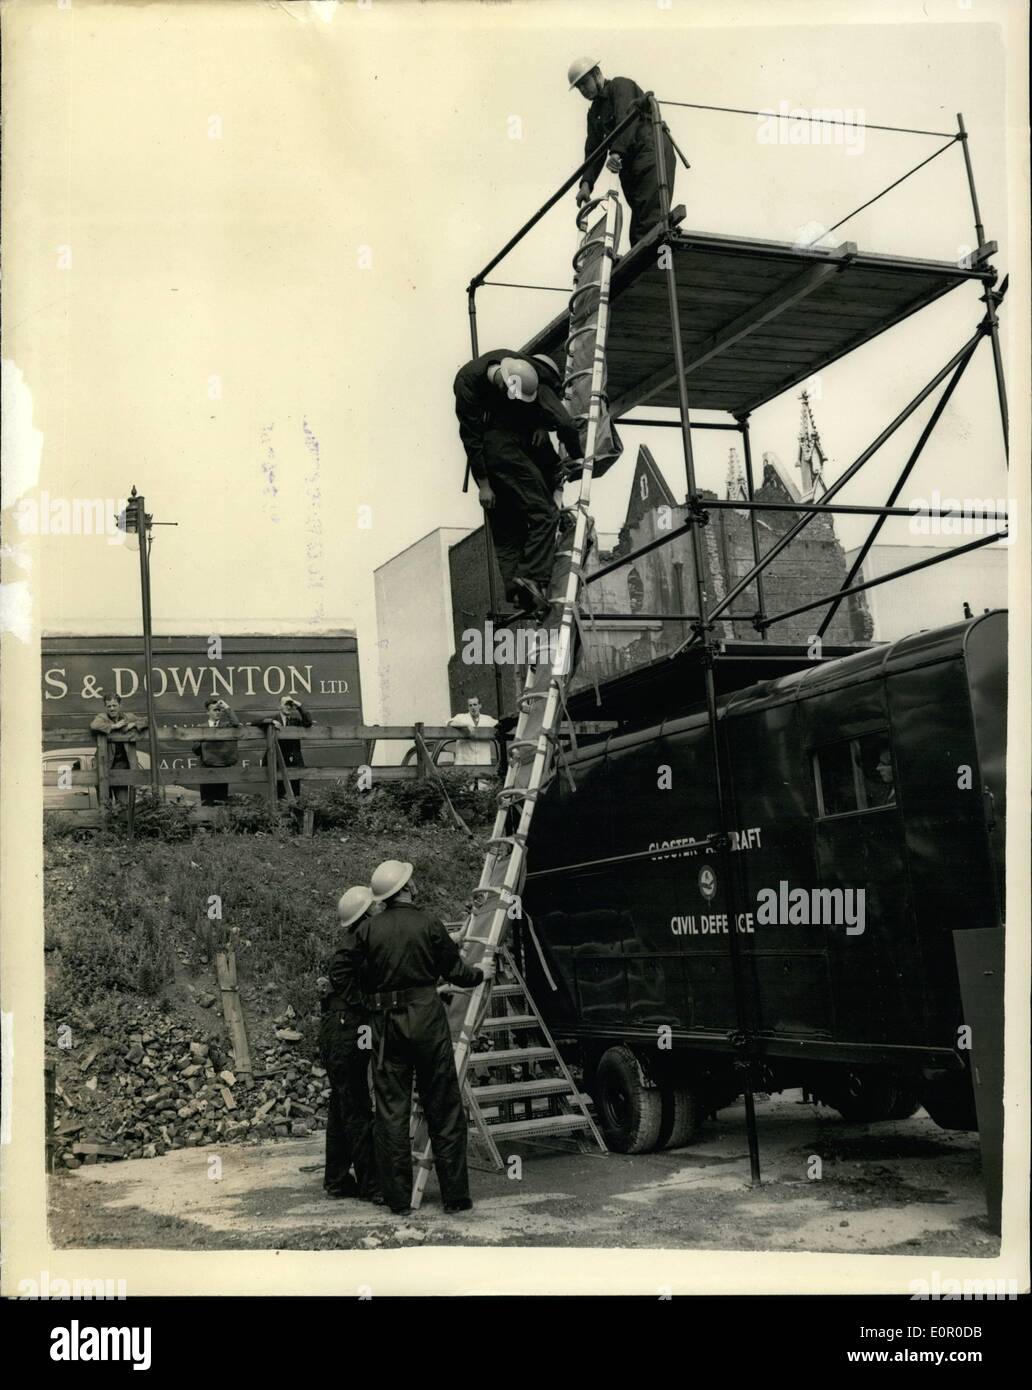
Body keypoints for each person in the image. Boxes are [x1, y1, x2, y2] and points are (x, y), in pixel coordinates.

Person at [355, 859, 495, 1215]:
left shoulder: (367, 931)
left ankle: (398, 1200)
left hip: (386, 1026)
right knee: (444, 1107)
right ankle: (456, 1198)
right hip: (427, 1020)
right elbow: (456, 971)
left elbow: (358, 979)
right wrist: (480, 974)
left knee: (391, 1112)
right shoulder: (428, 923)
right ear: (406, 889)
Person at [454, 349, 583, 613]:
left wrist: (541, 425)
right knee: (544, 514)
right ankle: (530, 577)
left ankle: (520, 593)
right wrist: (484, 484)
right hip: (500, 453)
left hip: (507, 449)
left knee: (511, 526)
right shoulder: (469, 383)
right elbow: (470, 435)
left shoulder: (528, 372)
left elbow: (551, 412)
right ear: (503, 386)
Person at [318, 886, 384, 1203]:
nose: (381, 908)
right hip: (347, 1029)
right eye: (375, 906)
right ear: (365, 914)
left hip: (338, 1029)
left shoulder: (359, 940)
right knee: (356, 1105)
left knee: (341, 1107)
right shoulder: (355, 944)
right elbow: (340, 970)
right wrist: (364, 1005)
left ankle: (337, 1179)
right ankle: (372, 1186)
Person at [568, 59, 676, 249]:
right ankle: (643, 267)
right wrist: (586, 184)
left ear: (596, 74)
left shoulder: (620, 86)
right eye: (579, 87)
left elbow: (626, 118)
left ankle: (655, 265)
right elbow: (593, 149)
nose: (583, 90)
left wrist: (616, 153)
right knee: (638, 225)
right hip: (630, 164)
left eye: (585, 83)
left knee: (650, 218)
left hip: (651, 152)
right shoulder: (594, 113)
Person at [89, 694, 147, 803]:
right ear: (105, 707)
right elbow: (94, 725)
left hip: (122, 768)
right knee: (105, 804)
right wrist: (114, 727)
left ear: (120, 705)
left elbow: (147, 720)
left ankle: (122, 819)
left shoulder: (128, 717)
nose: (112, 708)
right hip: (104, 767)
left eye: (114, 705)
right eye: (109, 706)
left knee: (123, 804)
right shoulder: (102, 717)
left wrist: (133, 724)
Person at [256, 694, 313, 799]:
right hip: (277, 761)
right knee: (278, 794)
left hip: (293, 761)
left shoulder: (295, 721)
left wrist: (299, 706)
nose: (288, 707)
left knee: (295, 794)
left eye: (290, 705)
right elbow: (254, 722)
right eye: (285, 704)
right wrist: (271, 722)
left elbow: (308, 722)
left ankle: (296, 815)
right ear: (279, 707)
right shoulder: (274, 718)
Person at [192, 697, 241, 804]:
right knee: (206, 801)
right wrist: (202, 739)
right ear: (207, 712)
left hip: (222, 767)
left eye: (219, 710)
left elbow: (236, 723)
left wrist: (226, 707)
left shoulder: (226, 726)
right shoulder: (201, 727)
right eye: (215, 710)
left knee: (221, 800)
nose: (218, 712)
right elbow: (195, 750)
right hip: (206, 768)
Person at [447, 696, 499, 787]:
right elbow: (449, 723)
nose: (473, 707)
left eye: (475, 704)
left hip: (482, 761)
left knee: (484, 788)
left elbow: (499, 725)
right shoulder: (461, 717)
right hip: (466, 761)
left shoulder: (487, 719)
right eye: (470, 705)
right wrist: (465, 725)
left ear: (480, 706)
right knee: (465, 789)